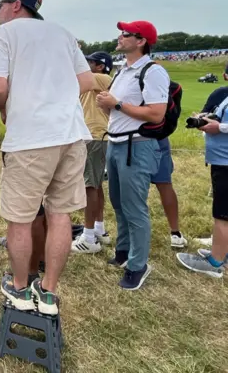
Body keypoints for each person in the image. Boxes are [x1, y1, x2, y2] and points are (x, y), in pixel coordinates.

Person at [0, 0, 93, 316]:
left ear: (16, 5)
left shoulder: (1, 36)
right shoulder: (61, 32)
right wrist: (56, 98)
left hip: (31, 138)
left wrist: (5, 109)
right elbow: (87, 81)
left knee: (19, 218)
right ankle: (48, 292)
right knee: (61, 214)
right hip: (71, 134)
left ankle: (19, 287)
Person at [96, 20, 169, 290]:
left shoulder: (152, 71)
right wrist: (109, 106)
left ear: (141, 41)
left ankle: (138, 265)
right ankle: (124, 251)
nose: (120, 36)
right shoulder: (123, 72)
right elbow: (116, 111)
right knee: (118, 202)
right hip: (116, 143)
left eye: (126, 33)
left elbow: (156, 112)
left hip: (137, 146)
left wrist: (115, 103)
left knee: (135, 207)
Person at [176, 90, 228, 277]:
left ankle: (215, 262)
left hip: (226, 162)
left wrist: (219, 127)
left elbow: (222, 126)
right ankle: (223, 251)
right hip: (220, 160)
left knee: (222, 215)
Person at [72, 51, 113, 253]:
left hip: (94, 136)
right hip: (96, 135)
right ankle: (99, 229)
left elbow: (74, 75)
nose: (87, 64)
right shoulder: (95, 81)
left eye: (91, 62)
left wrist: (73, 51)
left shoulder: (102, 78)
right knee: (95, 185)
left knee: (89, 185)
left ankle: (88, 237)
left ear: (100, 66)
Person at [150, 138, 187, 248]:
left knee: (137, 189)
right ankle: (175, 233)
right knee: (165, 185)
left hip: (134, 140)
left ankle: (134, 235)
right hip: (158, 137)